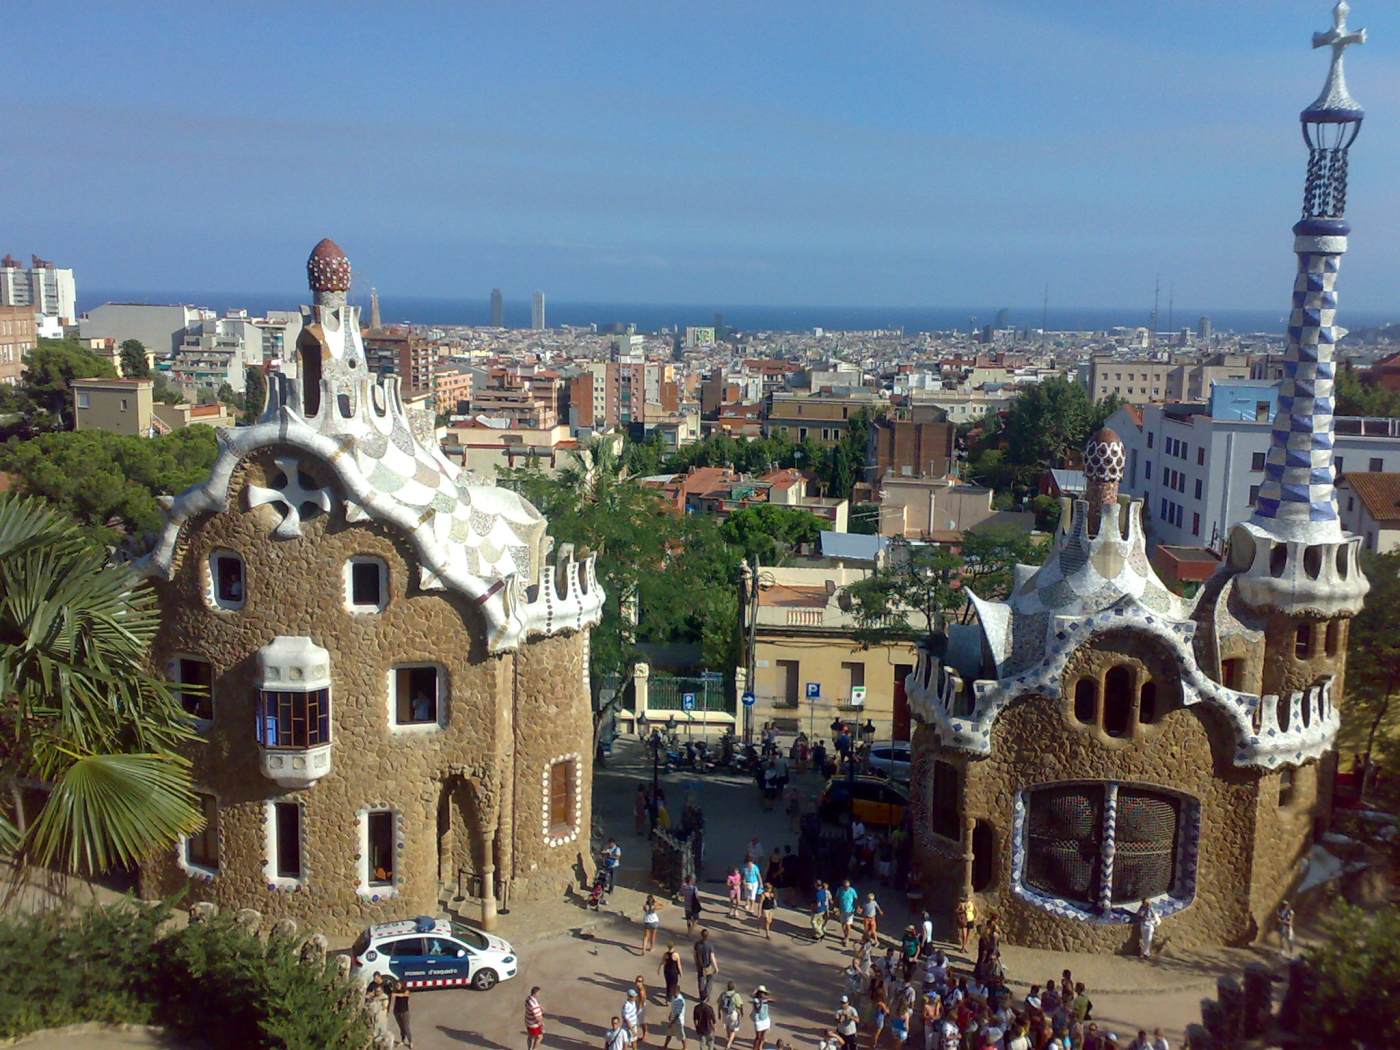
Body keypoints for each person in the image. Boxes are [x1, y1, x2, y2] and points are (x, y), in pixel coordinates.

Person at [364, 973, 393, 1044]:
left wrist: (387, 1007)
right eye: (374, 979)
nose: (375, 980)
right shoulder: (372, 985)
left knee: (382, 1025)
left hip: (383, 1010)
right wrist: (370, 995)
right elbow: (367, 994)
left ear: (380, 977)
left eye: (376, 979)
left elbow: (388, 997)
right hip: (374, 1009)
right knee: (375, 1026)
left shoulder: (385, 985)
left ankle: (384, 1039)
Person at [719, 981, 745, 1050]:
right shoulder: (736, 995)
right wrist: (742, 1012)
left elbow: (720, 1004)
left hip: (725, 1013)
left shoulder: (723, 994)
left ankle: (728, 1037)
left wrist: (719, 1012)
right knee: (733, 1030)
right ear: (734, 987)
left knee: (727, 1026)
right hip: (733, 1013)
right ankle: (729, 1044)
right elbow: (740, 1005)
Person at [387, 976, 412, 1047]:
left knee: (406, 1027)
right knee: (401, 1028)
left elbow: (404, 995)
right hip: (397, 1011)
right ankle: (402, 1040)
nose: (397, 986)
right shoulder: (395, 991)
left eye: (398, 985)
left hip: (404, 1012)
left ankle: (410, 1042)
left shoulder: (406, 991)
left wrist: (395, 994)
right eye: (396, 985)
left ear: (402, 985)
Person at [694, 929, 719, 1000]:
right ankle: (706, 993)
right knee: (710, 980)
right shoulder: (709, 945)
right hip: (708, 966)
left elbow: (695, 955)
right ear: (707, 936)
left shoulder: (697, 944)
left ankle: (701, 996)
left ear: (701, 935)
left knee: (701, 981)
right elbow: (712, 957)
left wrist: (696, 964)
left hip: (700, 966)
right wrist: (716, 967)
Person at [837, 880, 859, 947]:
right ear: (843, 886)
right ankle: (845, 935)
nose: (846, 888)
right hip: (842, 909)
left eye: (847, 886)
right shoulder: (840, 889)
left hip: (850, 910)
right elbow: (837, 898)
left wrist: (856, 908)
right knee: (843, 924)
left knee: (848, 924)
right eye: (845, 886)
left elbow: (856, 899)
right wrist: (835, 907)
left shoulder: (852, 890)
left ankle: (847, 938)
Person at [524, 986, 544, 1050]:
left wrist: (540, 1006)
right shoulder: (534, 1005)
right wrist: (542, 1024)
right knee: (539, 1037)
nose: (539, 995)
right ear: (536, 993)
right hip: (534, 1024)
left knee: (530, 1036)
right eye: (539, 993)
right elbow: (537, 1017)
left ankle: (529, 1049)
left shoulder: (528, 998)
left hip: (528, 1021)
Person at [634, 976, 651, 1043]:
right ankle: (645, 1034)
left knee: (642, 1022)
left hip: (640, 1008)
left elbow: (642, 1000)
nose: (638, 982)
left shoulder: (641, 990)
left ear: (642, 982)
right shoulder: (638, 988)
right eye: (637, 980)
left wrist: (638, 1010)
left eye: (640, 981)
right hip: (639, 1006)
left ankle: (645, 1034)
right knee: (642, 1022)